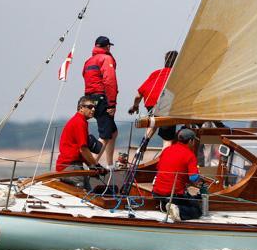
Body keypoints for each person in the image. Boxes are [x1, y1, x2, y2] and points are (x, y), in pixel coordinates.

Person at [128, 50, 178, 147]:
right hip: (166, 104)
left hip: (151, 103)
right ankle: (166, 157)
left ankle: (145, 141)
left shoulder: (155, 73)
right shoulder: (177, 74)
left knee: (154, 120)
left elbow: (138, 95)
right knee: (167, 137)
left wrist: (135, 106)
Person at [82, 36, 119, 168]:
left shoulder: (88, 61)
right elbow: (110, 81)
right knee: (105, 134)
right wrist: (112, 103)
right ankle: (91, 165)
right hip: (102, 98)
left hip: (89, 98)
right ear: (107, 46)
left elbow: (85, 77)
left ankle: (109, 164)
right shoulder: (106, 58)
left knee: (113, 132)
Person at [152, 128, 203, 221]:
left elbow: (159, 167)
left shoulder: (167, 150)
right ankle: (178, 210)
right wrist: (199, 180)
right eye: (194, 140)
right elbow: (193, 178)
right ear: (191, 141)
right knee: (197, 210)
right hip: (173, 194)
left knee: (186, 198)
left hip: (157, 192)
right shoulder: (189, 155)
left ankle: (166, 206)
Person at [55, 96, 106, 189]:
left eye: (94, 107)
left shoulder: (80, 121)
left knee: (89, 192)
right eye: (90, 107)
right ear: (81, 108)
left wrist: (92, 166)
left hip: (70, 165)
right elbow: (83, 149)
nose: (93, 109)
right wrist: (96, 165)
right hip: (70, 166)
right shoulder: (79, 122)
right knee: (83, 193)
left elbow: (80, 151)